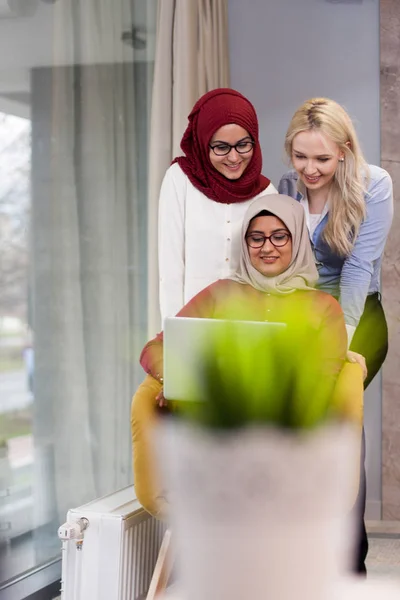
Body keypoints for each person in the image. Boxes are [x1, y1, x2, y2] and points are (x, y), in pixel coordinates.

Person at [133, 194, 363, 519]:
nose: (266, 247)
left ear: (297, 240)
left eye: (279, 236)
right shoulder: (221, 293)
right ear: (245, 243)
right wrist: (173, 377)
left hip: (288, 438)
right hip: (214, 432)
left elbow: (321, 384)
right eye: (256, 237)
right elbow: (154, 348)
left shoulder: (323, 308)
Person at [278, 97, 394, 574]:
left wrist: (337, 348)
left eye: (322, 159)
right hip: (306, 318)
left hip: (359, 317)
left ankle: (351, 564)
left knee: (339, 420)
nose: (309, 168)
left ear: (344, 151)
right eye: (300, 156)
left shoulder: (375, 184)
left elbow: (358, 270)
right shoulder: (284, 188)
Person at [158, 88, 277, 322]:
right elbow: (170, 266)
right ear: (203, 143)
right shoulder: (179, 180)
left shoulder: (267, 194)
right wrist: (172, 334)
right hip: (191, 323)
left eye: (243, 144)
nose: (234, 158)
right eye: (221, 147)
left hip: (247, 330)